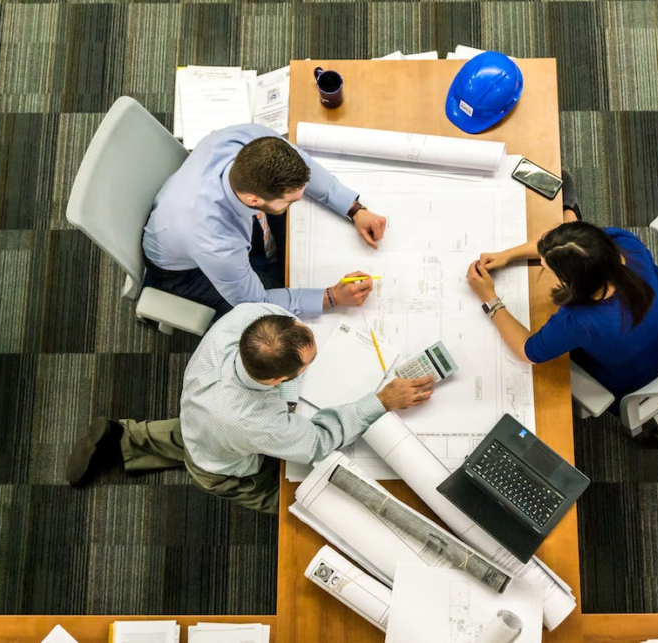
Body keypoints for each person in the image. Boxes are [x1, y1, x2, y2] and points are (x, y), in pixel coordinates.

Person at [65, 303, 435, 513]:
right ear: (277, 380)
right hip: (223, 465)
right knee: (296, 498)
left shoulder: (247, 318)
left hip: (201, 414)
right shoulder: (254, 422)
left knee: (196, 433)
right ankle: (301, 508)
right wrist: (381, 400)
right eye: (307, 365)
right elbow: (318, 443)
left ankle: (123, 438)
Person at [465, 170, 658, 409]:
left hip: (644, 377)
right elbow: (566, 247)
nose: (542, 266)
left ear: (572, 284)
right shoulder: (624, 244)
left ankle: (570, 210)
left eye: (547, 270)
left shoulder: (578, 321)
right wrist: (507, 255)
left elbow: (528, 351)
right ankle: (570, 211)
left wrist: (490, 298)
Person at [143, 123, 388, 320]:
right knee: (275, 321)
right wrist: (331, 297)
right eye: (290, 201)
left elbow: (306, 166)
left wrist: (354, 209)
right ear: (253, 199)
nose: (298, 201)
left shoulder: (250, 139)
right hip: (183, 272)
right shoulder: (215, 242)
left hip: (186, 215)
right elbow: (255, 302)